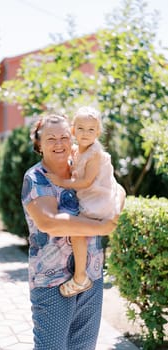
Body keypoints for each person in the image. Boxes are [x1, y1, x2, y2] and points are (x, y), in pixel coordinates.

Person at [21, 113, 125, 350]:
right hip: (52, 281)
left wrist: (113, 216)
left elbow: (118, 191)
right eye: (50, 138)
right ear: (39, 143)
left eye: (64, 137)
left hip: (91, 276)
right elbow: (50, 222)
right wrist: (101, 226)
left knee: (84, 347)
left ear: (73, 138)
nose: (59, 143)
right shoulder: (36, 178)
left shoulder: (84, 164)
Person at [46, 106, 122, 298]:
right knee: (79, 232)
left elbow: (87, 181)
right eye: (81, 129)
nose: (86, 133)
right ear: (73, 130)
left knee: (77, 232)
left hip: (98, 200)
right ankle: (83, 273)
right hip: (92, 196)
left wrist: (63, 182)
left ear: (98, 132)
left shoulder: (94, 153)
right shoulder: (76, 149)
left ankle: (81, 277)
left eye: (91, 130)